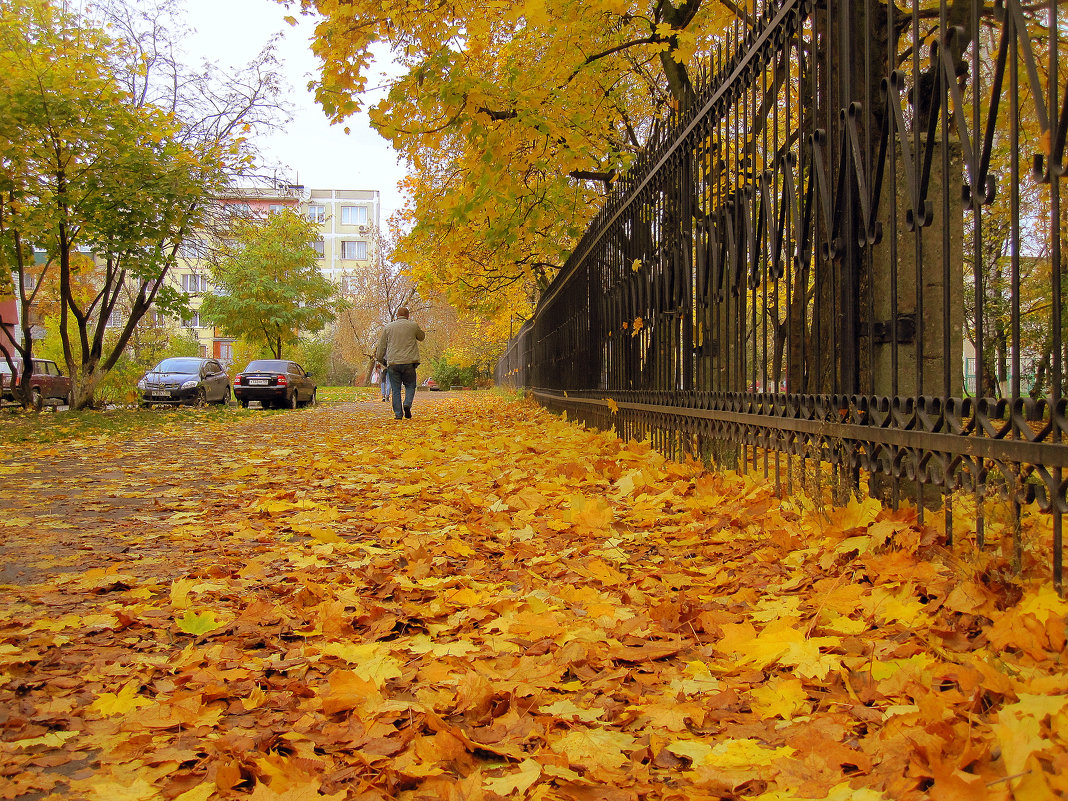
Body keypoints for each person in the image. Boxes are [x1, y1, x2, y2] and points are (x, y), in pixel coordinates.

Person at [374, 307, 425, 420]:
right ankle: (407, 403)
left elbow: (382, 346)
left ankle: (398, 414)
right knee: (410, 385)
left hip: (393, 363)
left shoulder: (388, 327)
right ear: (408, 316)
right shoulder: (413, 326)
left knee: (396, 389)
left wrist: (381, 359)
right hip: (409, 363)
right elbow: (421, 337)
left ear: (397, 315)